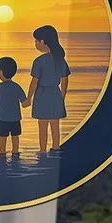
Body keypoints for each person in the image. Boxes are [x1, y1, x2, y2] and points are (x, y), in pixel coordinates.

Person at [27, 26, 69, 156]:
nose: (35, 44)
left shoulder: (39, 61)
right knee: (55, 124)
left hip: (42, 95)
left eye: (36, 41)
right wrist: (62, 96)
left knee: (42, 125)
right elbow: (65, 80)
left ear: (43, 41)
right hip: (55, 94)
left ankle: (42, 149)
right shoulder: (59, 59)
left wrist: (29, 98)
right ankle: (56, 146)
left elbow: (34, 82)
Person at [0, 56, 25, 158]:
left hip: (2, 118)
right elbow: (24, 101)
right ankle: (15, 152)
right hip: (15, 118)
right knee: (15, 136)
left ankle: (2, 152)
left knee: (2, 137)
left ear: (1, 72)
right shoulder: (16, 87)